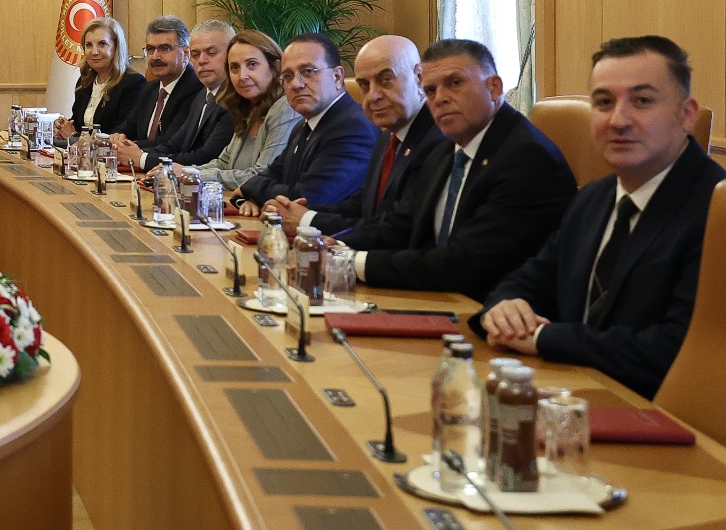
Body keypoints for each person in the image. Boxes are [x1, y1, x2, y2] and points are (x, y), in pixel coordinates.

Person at [476, 36, 724, 399]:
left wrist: (543, 337)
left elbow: (675, 352)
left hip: (653, 413)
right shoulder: (593, 198)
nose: (618, 120)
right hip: (571, 395)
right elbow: (531, 279)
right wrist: (506, 307)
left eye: (642, 101)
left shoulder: (715, 210)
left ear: (686, 114)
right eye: (604, 102)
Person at [341, 39, 577, 300]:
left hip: (494, 309)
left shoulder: (527, 158)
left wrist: (354, 263)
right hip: (443, 300)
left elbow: (465, 264)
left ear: (494, 87)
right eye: (430, 90)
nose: (440, 99)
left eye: (455, 83)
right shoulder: (447, 150)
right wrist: (335, 247)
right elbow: (401, 225)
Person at [265, 34, 444, 238]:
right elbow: (363, 204)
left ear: (419, 77)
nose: (373, 96)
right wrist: (297, 214)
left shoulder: (437, 139)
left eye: (386, 80)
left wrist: (307, 220)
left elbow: (399, 228)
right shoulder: (388, 137)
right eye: (364, 85)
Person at [227, 32, 377, 209]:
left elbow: (307, 198)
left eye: (308, 72)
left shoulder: (353, 128)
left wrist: (251, 188)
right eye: (288, 76)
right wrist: (251, 198)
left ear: (337, 76)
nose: (295, 84)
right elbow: (271, 174)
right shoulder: (302, 126)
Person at [181, 30, 301, 208]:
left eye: (252, 65)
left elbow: (261, 175)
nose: (242, 75)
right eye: (234, 68)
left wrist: (192, 175)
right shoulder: (250, 107)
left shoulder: (285, 108)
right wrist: (184, 172)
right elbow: (224, 163)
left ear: (276, 67)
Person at [134, 19, 238, 168]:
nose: (202, 60)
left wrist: (142, 159)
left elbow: (206, 157)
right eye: (196, 54)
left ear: (232, 55)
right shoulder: (202, 96)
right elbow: (175, 144)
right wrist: (133, 153)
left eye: (211, 53)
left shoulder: (235, 101)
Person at [107, 16, 202, 167]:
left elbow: (172, 142)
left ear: (185, 53)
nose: (155, 56)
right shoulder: (149, 89)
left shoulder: (196, 88)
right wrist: (118, 138)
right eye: (151, 49)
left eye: (165, 48)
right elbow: (125, 127)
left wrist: (130, 148)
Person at [53, 17, 145, 140]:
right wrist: (63, 128)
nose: (94, 52)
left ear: (117, 48)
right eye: (88, 45)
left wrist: (73, 135)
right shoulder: (84, 82)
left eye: (102, 44)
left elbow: (121, 133)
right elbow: (79, 124)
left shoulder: (133, 83)